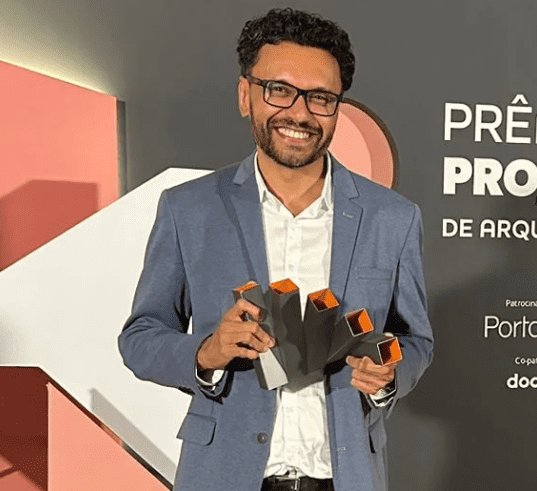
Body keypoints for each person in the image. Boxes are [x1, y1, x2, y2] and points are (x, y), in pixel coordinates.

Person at [118, 8, 433, 491]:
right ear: (246, 95)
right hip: (224, 477)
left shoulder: (392, 217)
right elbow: (140, 338)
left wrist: (389, 375)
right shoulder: (189, 209)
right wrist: (207, 352)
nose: (300, 114)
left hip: (346, 477)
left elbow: (414, 340)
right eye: (279, 90)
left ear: (338, 108)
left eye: (321, 98)